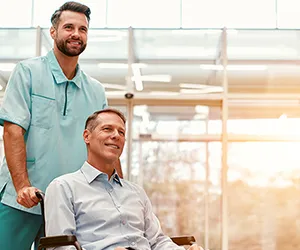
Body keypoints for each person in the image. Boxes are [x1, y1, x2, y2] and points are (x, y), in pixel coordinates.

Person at [0, 2, 122, 249]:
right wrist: (22, 185)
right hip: (22, 199)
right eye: (69, 27)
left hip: (72, 205)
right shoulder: (28, 72)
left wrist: (119, 192)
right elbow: (13, 130)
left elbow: (107, 146)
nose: (76, 34)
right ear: (53, 32)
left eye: (83, 29)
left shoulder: (96, 91)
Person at [44, 108, 204, 250]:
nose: (116, 136)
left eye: (121, 132)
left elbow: (157, 241)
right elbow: (60, 247)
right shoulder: (63, 187)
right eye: (107, 129)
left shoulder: (136, 192)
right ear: (87, 136)